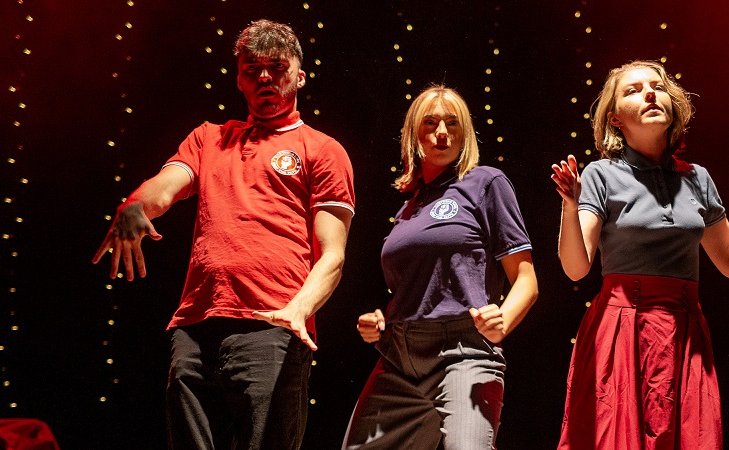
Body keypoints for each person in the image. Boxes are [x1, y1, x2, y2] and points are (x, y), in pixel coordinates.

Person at [90, 19, 355, 449]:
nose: (265, 76)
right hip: (196, 326)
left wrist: (298, 310)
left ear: (301, 76)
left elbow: (333, 255)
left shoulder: (321, 149)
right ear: (238, 78)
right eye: (252, 68)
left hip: (273, 326)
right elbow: (164, 187)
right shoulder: (209, 139)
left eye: (277, 67)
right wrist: (133, 205)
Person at [550, 60, 729, 450]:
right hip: (621, 331)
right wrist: (569, 205)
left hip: (683, 334)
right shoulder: (600, 175)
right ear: (614, 119)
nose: (649, 93)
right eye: (633, 90)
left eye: (657, 87)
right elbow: (576, 269)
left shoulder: (697, 177)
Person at [341, 85, 538, 449]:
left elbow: (525, 278)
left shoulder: (485, 182)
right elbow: (415, 289)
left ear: (465, 133)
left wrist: (503, 321)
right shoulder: (408, 207)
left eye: (452, 123)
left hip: (464, 351)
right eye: (430, 123)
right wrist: (378, 322)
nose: (442, 132)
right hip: (398, 356)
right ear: (414, 134)